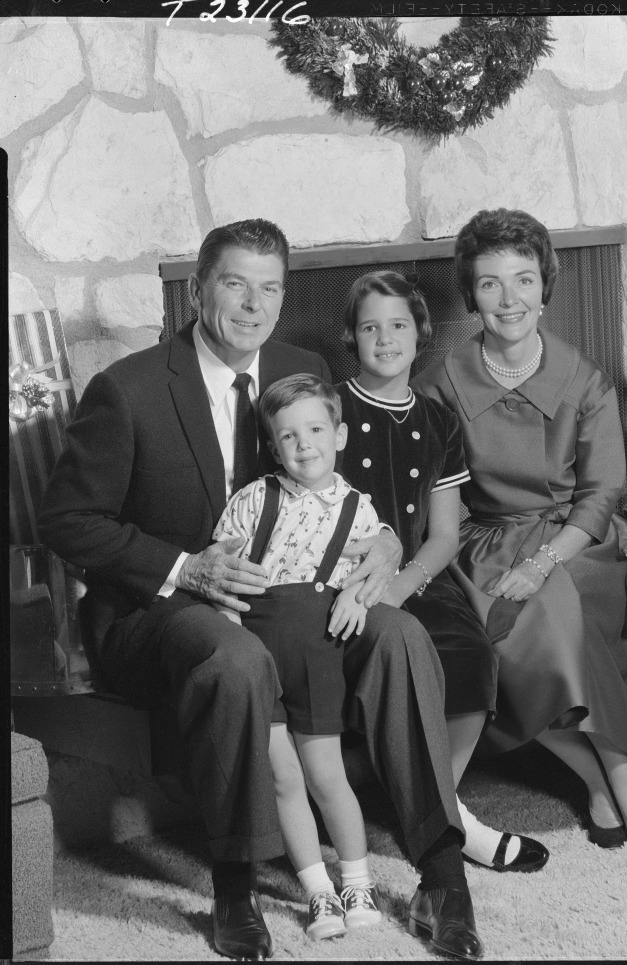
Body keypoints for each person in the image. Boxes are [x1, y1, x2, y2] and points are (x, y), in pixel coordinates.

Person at [38, 219, 484, 962]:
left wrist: (384, 543)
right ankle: (235, 882)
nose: (254, 304)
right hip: (169, 605)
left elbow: (345, 483)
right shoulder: (129, 388)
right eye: (236, 284)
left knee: (401, 635)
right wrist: (188, 567)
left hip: (303, 598)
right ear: (197, 289)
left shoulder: (298, 363)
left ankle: (441, 873)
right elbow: (66, 519)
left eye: (270, 286)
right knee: (236, 658)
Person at [414, 208, 627, 854]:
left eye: (524, 280)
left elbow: (601, 492)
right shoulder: (442, 387)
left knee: (555, 593)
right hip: (485, 543)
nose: (510, 299)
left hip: (577, 539)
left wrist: (546, 558)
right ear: (470, 294)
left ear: (545, 285)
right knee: (526, 609)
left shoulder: (584, 379)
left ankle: (606, 769)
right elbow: (438, 498)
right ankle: (606, 768)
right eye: (491, 283)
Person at [336, 271, 549, 874]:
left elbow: (445, 535)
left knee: (472, 656)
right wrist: (375, 591)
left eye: (398, 325)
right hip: (346, 583)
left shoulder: (439, 422)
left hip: (417, 580)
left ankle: (439, 808)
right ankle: (451, 825)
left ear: (420, 332)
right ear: (351, 336)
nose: (385, 338)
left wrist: (405, 586)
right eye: (370, 327)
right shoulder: (331, 406)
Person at [212, 374, 384, 941]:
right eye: (288, 436)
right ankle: (318, 893)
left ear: (339, 435)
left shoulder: (360, 511)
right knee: (283, 777)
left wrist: (358, 595)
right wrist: (232, 629)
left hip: (317, 652)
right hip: (256, 648)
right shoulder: (254, 499)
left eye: (315, 430)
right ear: (273, 446)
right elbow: (220, 571)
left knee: (325, 773)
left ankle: (357, 881)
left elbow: (369, 572)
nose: (303, 444)